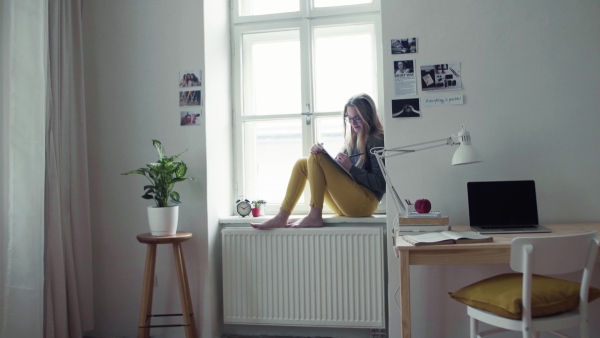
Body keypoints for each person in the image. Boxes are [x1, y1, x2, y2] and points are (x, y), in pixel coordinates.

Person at [251, 93, 385, 229]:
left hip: (365, 204)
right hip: (348, 203)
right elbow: (342, 175)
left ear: (368, 116)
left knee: (317, 157)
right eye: (349, 118)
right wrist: (334, 162)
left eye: (357, 118)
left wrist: (350, 168)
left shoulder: (376, 139)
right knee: (303, 163)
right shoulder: (352, 140)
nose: (352, 123)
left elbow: (381, 184)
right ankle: (282, 216)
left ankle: (314, 215)